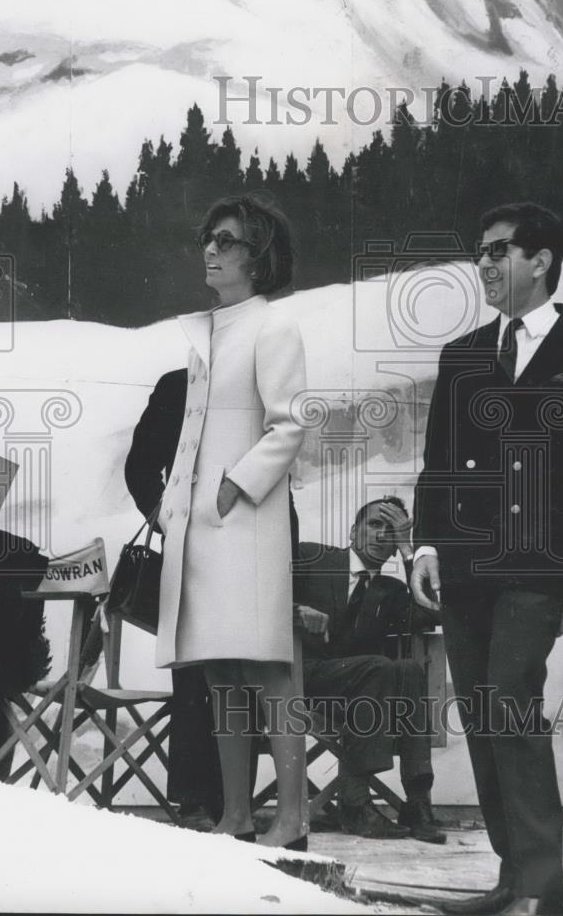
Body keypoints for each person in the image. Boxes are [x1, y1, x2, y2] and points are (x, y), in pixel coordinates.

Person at [411, 203, 563, 915]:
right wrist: (428, 545)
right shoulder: (463, 353)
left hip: (537, 570)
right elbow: (437, 464)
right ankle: (513, 878)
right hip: (466, 568)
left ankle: (540, 886)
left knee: (508, 707)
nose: (485, 266)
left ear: (540, 261)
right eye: (480, 253)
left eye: (498, 252)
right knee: (480, 712)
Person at [155, 193, 307, 849]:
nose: (210, 250)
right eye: (207, 237)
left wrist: (233, 485)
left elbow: (290, 423)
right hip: (199, 527)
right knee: (218, 669)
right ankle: (237, 815)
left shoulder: (273, 327)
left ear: (258, 255)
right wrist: (176, 508)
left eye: (225, 240)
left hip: (245, 523)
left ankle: (292, 819)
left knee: (268, 667)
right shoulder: (210, 331)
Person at [125, 369, 300, 820]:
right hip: (194, 548)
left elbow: (278, 480)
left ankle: (234, 806)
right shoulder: (178, 385)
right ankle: (195, 801)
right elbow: (141, 466)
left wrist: (286, 559)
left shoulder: (264, 384)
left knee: (251, 674)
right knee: (197, 675)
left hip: (257, 548)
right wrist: (169, 520)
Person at [293, 496, 446, 844]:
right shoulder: (311, 557)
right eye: (375, 524)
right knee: (379, 667)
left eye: (392, 532)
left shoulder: (390, 590)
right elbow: (264, 593)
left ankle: (417, 801)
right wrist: (296, 609)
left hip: (361, 699)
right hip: (300, 679)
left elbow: (433, 612)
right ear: (353, 531)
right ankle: (356, 802)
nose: (382, 535)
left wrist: (411, 553)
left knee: (407, 669)